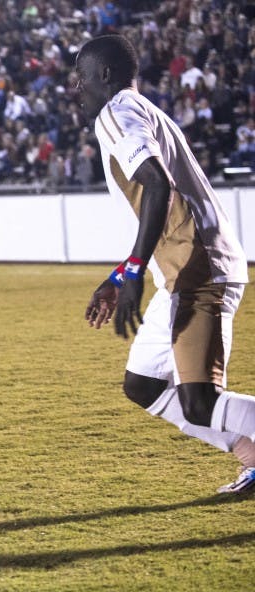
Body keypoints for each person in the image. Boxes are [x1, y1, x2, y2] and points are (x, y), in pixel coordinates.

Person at [79, 34, 255, 494]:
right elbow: (165, 207)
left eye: (80, 78)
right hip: (187, 268)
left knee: (200, 402)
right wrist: (121, 275)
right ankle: (250, 453)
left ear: (103, 75)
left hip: (198, 270)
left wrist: (135, 272)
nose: (76, 89)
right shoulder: (143, 111)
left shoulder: (116, 112)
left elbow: (158, 188)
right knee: (143, 385)